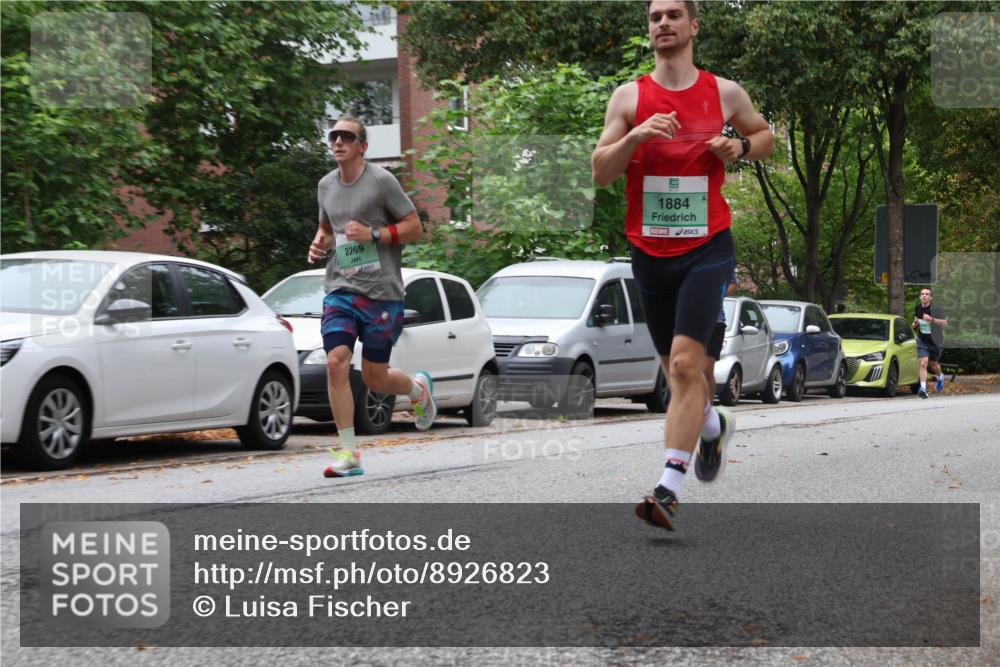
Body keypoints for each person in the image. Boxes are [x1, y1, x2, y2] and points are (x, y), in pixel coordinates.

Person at [591, 0, 774, 530]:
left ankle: (668, 488)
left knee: (687, 365)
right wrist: (637, 136)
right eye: (654, 17)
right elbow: (601, 171)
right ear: (649, 29)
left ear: (693, 26)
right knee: (677, 377)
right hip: (649, 253)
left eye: (673, 14)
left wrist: (738, 147)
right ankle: (712, 426)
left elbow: (765, 136)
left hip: (708, 246)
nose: (663, 23)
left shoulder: (724, 92)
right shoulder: (629, 97)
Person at [308, 115, 437, 478]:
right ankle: (349, 455)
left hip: (381, 293)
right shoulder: (325, 186)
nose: (338, 142)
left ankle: (417, 390)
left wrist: (374, 234)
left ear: (362, 146)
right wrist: (320, 243)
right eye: (334, 135)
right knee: (336, 361)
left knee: (375, 380)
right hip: (341, 289)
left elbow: (415, 228)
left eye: (347, 136)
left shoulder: (382, 182)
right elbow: (326, 228)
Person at [912, 287, 948, 398]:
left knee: (934, 365)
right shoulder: (918, 308)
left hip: (936, 341)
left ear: (930, 297)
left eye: (927, 294)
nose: (924, 296)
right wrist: (915, 324)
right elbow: (915, 322)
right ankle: (923, 388)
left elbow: (946, 323)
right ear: (920, 296)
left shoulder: (937, 309)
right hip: (922, 340)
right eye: (922, 294)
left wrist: (931, 320)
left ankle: (940, 377)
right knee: (923, 362)